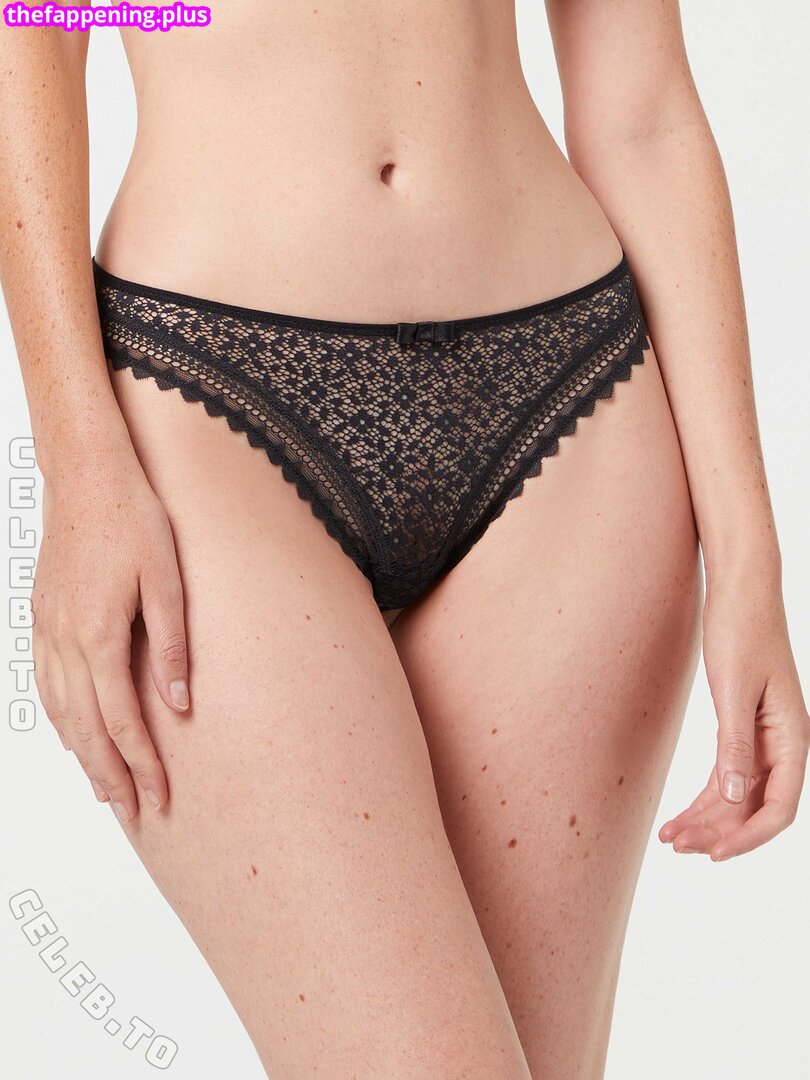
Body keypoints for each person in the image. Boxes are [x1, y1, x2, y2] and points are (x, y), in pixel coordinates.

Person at [1, 3, 807, 1078]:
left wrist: (750, 560)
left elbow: (644, 110)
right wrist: (79, 462)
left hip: (572, 407)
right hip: (203, 399)